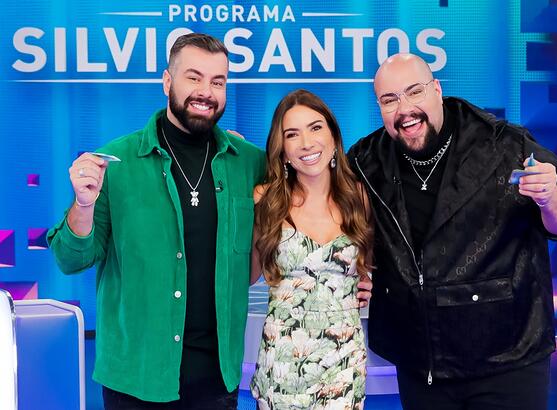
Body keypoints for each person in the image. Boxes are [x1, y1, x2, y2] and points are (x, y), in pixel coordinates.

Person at [347, 53, 557, 410]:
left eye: (415, 92)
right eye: (390, 100)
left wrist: (549, 197)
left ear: (437, 90)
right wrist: (357, 268)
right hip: (421, 363)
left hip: (508, 358)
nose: (405, 109)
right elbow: (336, 217)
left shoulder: (503, 145)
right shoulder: (366, 160)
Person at [47, 33, 266, 409]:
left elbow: (297, 225)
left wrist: (354, 274)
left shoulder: (248, 162)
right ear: (167, 81)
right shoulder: (115, 163)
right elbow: (70, 259)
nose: (206, 92)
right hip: (135, 380)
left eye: (218, 81)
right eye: (193, 77)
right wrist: (83, 204)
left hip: (217, 381)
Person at [249, 89, 373, 410]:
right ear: (283, 149)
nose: (306, 142)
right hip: (284, 363)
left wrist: (373, 285)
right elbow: (246, 275)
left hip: (343, 361)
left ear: (333, 136)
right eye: (292, 134)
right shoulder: (265, 199)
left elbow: (373, 267)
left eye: (316, 128)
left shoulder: (360, 197)